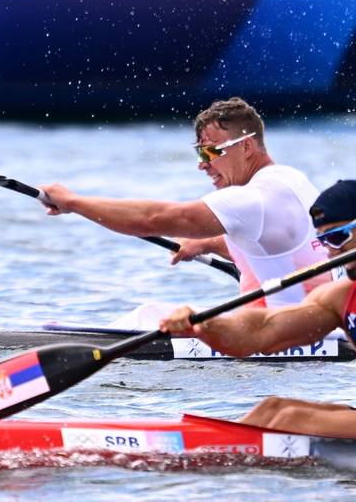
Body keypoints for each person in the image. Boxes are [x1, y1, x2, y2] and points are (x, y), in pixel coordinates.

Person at [40, 97, 328, 308]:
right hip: (320, 324)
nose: (203, 165)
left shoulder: (248, 200)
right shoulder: (293, 180)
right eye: (199, 155)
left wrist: (74, 202)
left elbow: (152, 219)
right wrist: (208, 243)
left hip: (279, 338)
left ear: (247, 147)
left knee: (150, 314)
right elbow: (277, 243)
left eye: (210, 153)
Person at [158, 180, 356, 436]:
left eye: (339, 238)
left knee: (292, 419)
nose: (331, 254)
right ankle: (207, 454)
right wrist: (204, 325)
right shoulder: (339, 297)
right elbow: (261, 331)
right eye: (323, 242)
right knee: (272, 409)